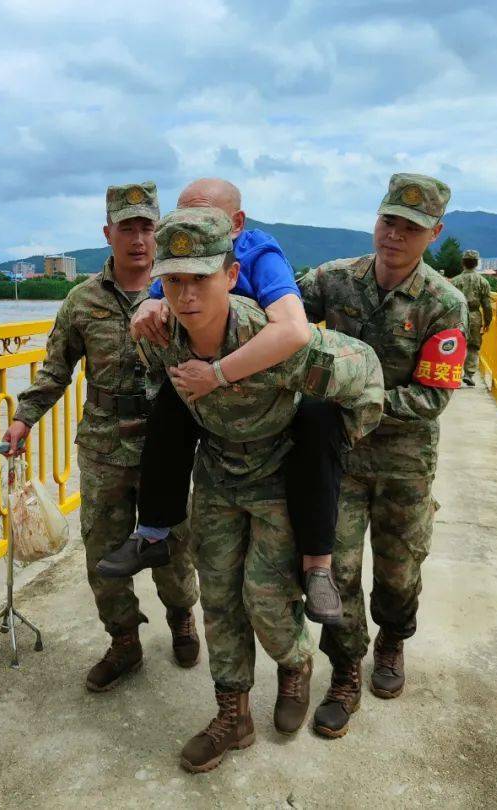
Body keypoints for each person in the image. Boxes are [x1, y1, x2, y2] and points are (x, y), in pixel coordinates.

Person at [139, 206, 384, 772]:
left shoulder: (282, 345)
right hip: (220, 474)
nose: (186, 295)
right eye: (173, 280)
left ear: (229, 276)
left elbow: (366, 376)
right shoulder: (160, 335)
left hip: (278, 474)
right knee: (219, 597)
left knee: (266, 598)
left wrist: (333, 440)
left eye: (200, 278)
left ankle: (295, 666)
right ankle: (234, 714)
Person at [99, 178, 346, 625]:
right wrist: (148, 304)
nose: (189, 227)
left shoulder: (258, 253)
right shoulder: (186, 254)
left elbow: (293, 329)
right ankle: (153, 531)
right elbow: (159, 295)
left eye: (203, 218)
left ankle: (318, 566)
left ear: (236, 225)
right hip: (211, 380)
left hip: (269, 379)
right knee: (170, 408)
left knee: (317, 420)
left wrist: (217, 376)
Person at [3, 182, 201, 692]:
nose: (138, 239)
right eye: (127, 228)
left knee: (175, 546)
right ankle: (124, 641)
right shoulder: (82, 301)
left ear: (161, 232)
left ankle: (182, 617)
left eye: (147, 227)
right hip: (104, 446)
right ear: (108, 233)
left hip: (169, 447)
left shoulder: (185, 292)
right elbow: (55, 372)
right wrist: (25, 418)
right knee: (103, 553)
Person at [298, 173, 469, 738]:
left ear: (434, 233)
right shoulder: (333, 280)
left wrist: (354, 398)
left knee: (399, 570)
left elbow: (433, 395)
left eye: (410, 227)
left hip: (403, 461)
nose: (394, 235)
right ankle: (345, 671)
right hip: (340, 459)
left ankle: (392, 642)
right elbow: (277, 311)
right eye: (387, 221)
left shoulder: (445, 303)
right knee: (335, 570)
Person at [450, 249, 493, 386]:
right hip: (475, 316)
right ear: (476, 263)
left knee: (455, 345)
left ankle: (454, 375)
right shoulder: (483, 282)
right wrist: (487, 321)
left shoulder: (455, 281)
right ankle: (469, 374)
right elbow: (487, 305)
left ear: (463, 262)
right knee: (473, 346)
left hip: (457, 315)